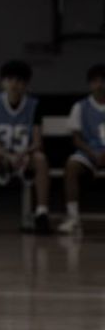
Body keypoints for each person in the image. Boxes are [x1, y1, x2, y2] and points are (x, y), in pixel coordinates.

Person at [0, 60, 49, 235]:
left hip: (25, 154)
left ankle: (42, 213)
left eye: (19, 80)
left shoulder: (34, 105)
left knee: (40, 159)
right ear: (2, 82)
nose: (14, 84)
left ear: (26, 84)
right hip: (1, 154)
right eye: (9, 80)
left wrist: (22, 154)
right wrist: (8, 156)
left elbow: (37, 141)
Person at [58, 63, 105, 235]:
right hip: (90, 152)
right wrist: (93, 153)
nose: (100, 85)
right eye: (95, 81)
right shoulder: (80, 107)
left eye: (103, 81)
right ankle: (73, 217)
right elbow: (76, 139)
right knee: (72, 166)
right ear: (90, 84)